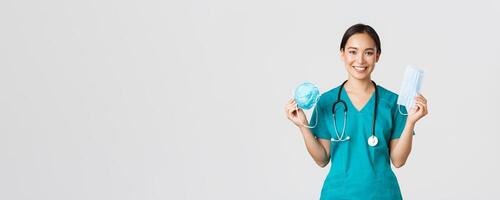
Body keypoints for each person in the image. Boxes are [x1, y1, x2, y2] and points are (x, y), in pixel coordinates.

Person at [285, 23, 428, 199]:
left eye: (368, 52)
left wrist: (411, 121)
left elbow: (398, 161)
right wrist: (303, 126)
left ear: (377, 56)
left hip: (382, 194)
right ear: (342, 54)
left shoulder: (393, 103)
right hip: (338, 194)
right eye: (353, 52)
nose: (360, 60)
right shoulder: (326, 102)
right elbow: (322, 159)